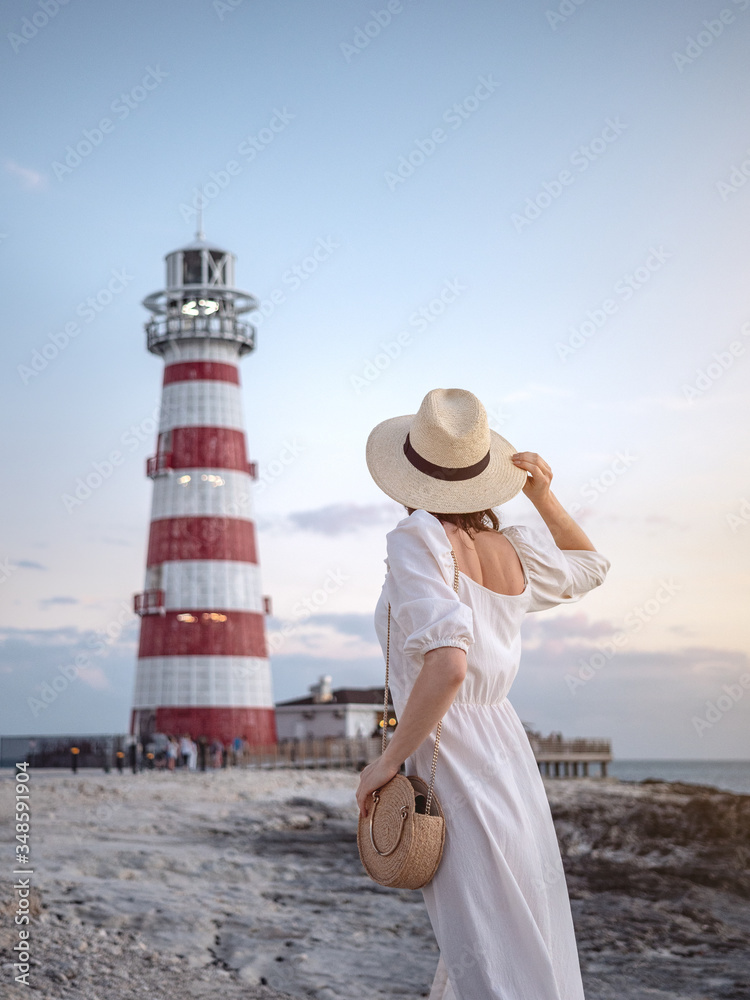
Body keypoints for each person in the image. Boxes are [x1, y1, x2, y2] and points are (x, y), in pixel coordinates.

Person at [356, 388, 610, 1000]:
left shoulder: (416, 537)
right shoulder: (512, 546)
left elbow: (447, 667)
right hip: (504, 742)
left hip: (453, 746)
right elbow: (590, 564)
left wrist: (386, 761)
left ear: (410, 474)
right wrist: (543, 495)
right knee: (516, 919)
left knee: (482, 934)